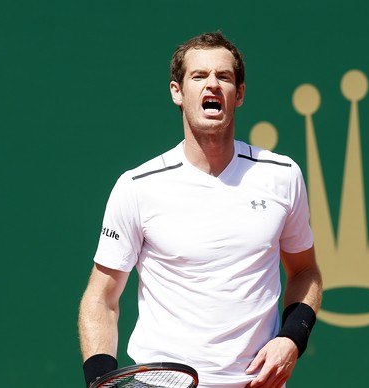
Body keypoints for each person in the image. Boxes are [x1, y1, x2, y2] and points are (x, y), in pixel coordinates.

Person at [78, 31, 323, 388]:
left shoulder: (282, 176)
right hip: (161, 384)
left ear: (238, 94)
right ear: (177, 92)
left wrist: (291, 338)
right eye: (199, 76)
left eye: (224, 77)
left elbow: (305, 271)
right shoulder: (137, 187)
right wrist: (100, 381)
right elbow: (101, 298)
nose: (212, 85)